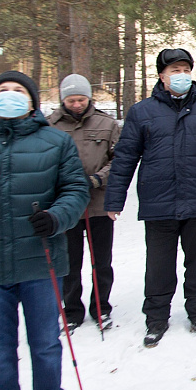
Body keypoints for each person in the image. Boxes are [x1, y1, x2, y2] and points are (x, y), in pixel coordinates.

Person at [104, 48, 196, 347]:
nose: (181, 75)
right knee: (158, 266)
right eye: (174, 70)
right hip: (159, 203)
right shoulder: (141, 112)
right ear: (161, 76)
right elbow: (125, 158)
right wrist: (114, 199)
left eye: (185, 69)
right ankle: (156, 319)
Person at [0, 71, 89, 390]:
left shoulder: (55, 141)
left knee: (46, 347)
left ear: (32, 101)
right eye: (2, 90)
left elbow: (76, 191)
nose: (10, 95)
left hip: (41, 264)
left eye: (18, 91)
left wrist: (56, 217)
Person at [48, 74, 121, 333]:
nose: (76, 104)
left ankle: (102, 308)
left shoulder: (107, 123)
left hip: (99, 204)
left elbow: (119, 161)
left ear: (89, 98)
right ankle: (72, 310)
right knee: (69, 263)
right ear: (63, 99)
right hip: (66, 207)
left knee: (101, 261)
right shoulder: (49, 126)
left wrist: (97, 179)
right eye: (71, 100)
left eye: (81, 99)